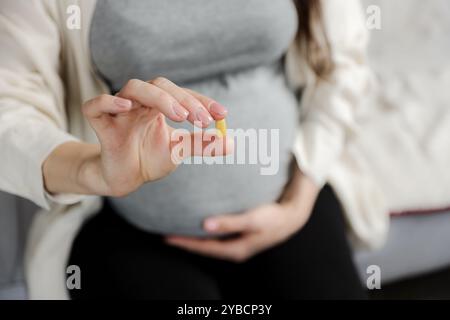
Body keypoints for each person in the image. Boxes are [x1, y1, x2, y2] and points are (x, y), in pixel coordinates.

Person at [0, 0, 377, 299]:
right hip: (126, 230)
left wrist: (299, 201)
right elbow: (8, 108)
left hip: (291, 204)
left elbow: (344, 65)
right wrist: (94, 170)